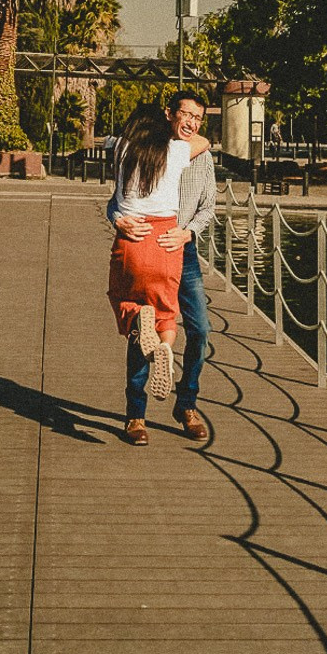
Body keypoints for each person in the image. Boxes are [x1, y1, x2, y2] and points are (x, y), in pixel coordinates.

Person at [111, 91, 214, 443]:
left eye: (198, 118)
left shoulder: (199, 157)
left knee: (199, 329)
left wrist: (188, 233)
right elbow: (116, 201)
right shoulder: (172, 150)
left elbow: (209, 207)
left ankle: (185, 404)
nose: (192, 122)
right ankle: (136, 416)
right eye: (186, 115)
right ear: (169, 115)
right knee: (151, 327)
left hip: (181, 250)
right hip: (159, 246)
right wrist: (118, 219)